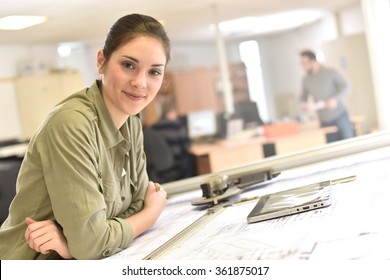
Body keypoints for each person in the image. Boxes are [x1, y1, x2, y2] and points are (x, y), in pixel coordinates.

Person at [0, 13, 170, 260]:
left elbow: (136, 203)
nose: (140, 83)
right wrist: (149, 216)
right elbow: (96, 240)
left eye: (154, 72)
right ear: (101, 60)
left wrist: (78, 243)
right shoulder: (71, 124)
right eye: (128, 65)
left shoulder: (131, 119)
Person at [299, 49, 355, 142]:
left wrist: (335, 99)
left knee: (349, 142)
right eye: (301, 64)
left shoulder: (330, 72)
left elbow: (346, 86)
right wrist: (303, 105)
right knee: (331, 149)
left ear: (313, 61)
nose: (303, 67)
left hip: (339, 115)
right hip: (323, 120)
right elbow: (303, 96)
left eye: (304, 63)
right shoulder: (306, 80)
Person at [148, 98, 196, 182]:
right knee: (192, 159)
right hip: (176, 169)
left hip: (158, 172)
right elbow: (187, 145)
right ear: (171, 112)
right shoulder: (176, 126)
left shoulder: (154, 127)